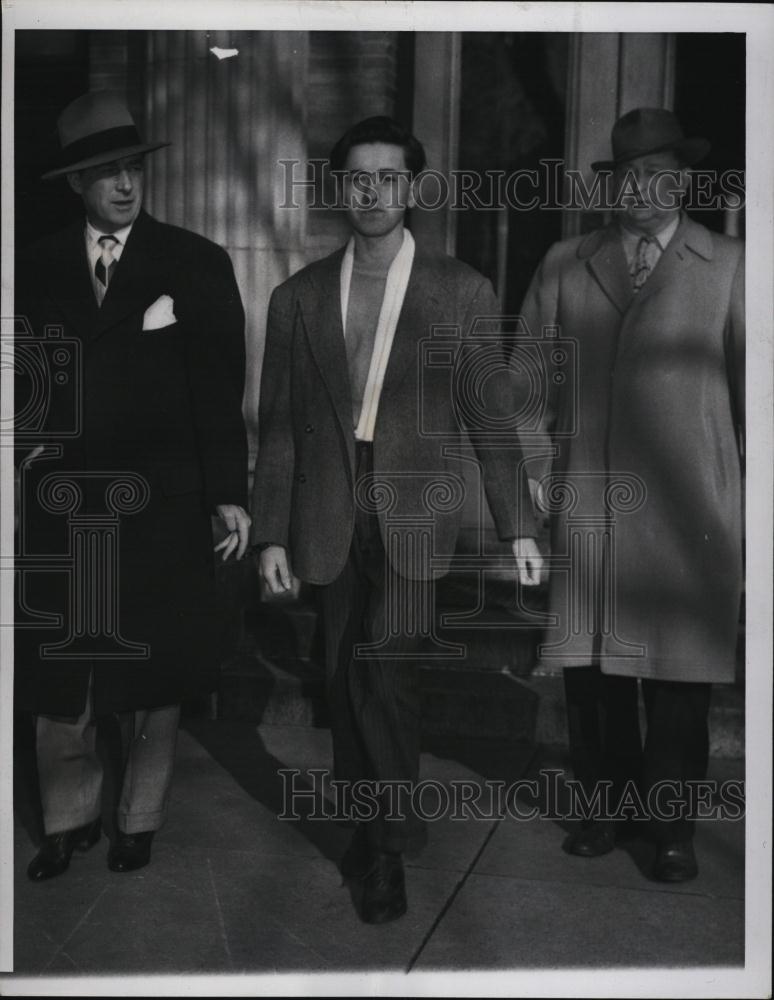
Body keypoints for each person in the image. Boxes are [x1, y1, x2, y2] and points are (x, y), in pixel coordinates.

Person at [251, 116, 543, 923]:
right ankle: (372, 824)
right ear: (340, 188)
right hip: (326, 509)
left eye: (388, 176)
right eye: (357, 177)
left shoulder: (463, 290)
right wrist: (271, 532)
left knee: (385, 667)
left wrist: (519, 524)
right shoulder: (297, 298)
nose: (372, 191)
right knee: (344, 678)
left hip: (416, 509)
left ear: (412, 187)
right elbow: (278, 427)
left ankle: (390, 846)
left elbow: (492, 422)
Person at [15, 90, 251, 880]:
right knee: (62, 672)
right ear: (75, 183)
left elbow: (219, 390)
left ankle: (139, 818)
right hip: (66, 500)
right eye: (102, 171)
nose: (123, 184)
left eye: (130, 168)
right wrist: (26, 451)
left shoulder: (194, 262)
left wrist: (228, 492)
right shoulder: (34, 264)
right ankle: (66, 819)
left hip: (162, 501)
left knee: (154, 671)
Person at [518, 107, 744, 881]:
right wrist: (544, 477)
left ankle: (672, 827)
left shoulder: (733, 266)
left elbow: (759, 405)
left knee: (680, 683)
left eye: (656, 173)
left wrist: (737, 503)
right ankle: (603, 811)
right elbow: (524, 392)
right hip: (590, 504)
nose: (638, 187)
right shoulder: (564, 263)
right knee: (593, 676)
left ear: (684, 180)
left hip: (693, 518)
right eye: (624, 174)